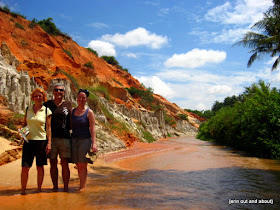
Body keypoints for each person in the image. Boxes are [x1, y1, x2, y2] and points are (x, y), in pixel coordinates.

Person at [21, 88, 52, 195]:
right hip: (28, 141)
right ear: (32, 98)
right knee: (25, 167)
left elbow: (48, 128)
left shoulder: (47, 110)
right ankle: (23, 191)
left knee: (40, 166)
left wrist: (49, 143)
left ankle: (39, 189)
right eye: (36, 96)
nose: (38, 98)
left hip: (41, 141)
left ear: (43, 97)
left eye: (40, 96)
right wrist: (22, 132)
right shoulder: (28, 109)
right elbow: (25, 124)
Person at [44, 83, 72, 192]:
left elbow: (72, 120)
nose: (58, 92)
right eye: (56, 90)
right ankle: (55, 187)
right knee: (53, 162)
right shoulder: (47, 105)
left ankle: (66, 188)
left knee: (65, 163)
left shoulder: (68, 105)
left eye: (61, 90)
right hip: (51, 139)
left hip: (65, 138)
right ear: (53, 92)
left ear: (64, 92)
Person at [71, 89, 98, 191]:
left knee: (82, 164)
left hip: (85, 140)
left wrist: (94, 143)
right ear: (77, 98)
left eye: (83, 98)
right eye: (79, 97)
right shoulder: (72, 112)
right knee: (78, 163)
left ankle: (82, 186)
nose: (81, 99)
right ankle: (82, 184)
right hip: (74, 140)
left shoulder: (89, 112)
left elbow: (93, 128)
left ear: (86, 99)